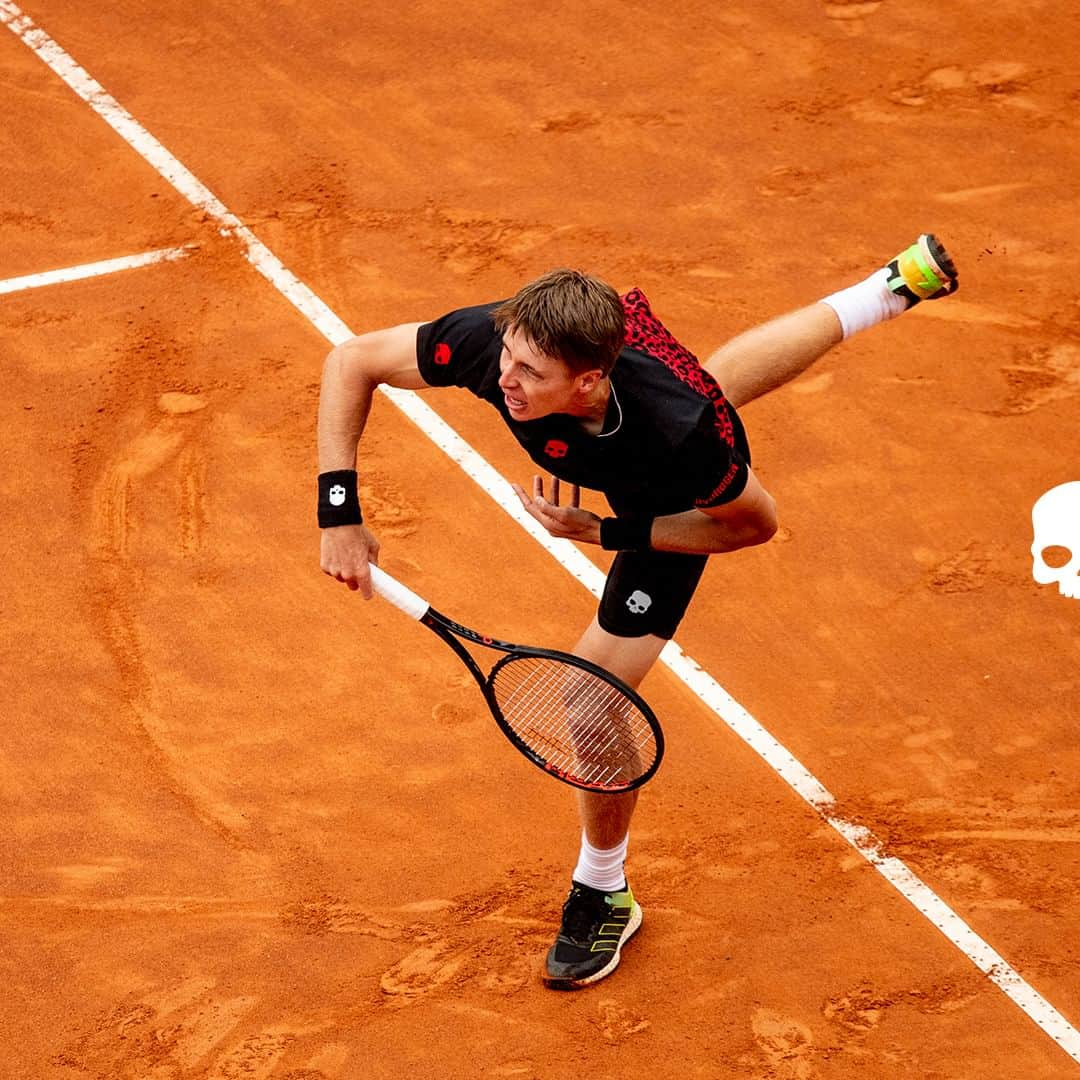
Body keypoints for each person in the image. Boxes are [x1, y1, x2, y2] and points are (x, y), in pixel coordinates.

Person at [316, 234, 958, 990]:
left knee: (589, 702)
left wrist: (606, 531)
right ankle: (887, 287)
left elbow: (752, 524)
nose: (504, 378)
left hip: (668, 501)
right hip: (642, 408)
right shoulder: (495, 340)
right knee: (710, 382)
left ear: (587, 383)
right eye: (509, 357)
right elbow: (352, 359)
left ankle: (603, 888)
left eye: (530, 372)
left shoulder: (683, 438)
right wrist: (339, 512)